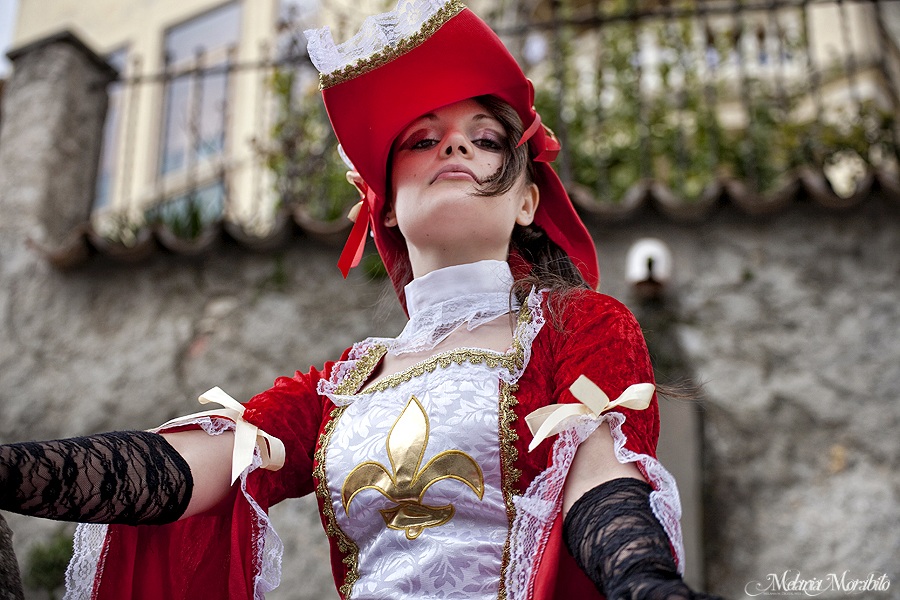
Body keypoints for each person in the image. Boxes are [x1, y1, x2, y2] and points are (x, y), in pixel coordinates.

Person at [0, 1, 721, 598]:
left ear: (529, 199)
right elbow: (185, 471)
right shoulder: (339, 385)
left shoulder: (581, 325)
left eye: (486, 137)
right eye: (423, 138)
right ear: (386, 208)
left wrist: (650, 585)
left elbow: (600, 475)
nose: (455, 148)